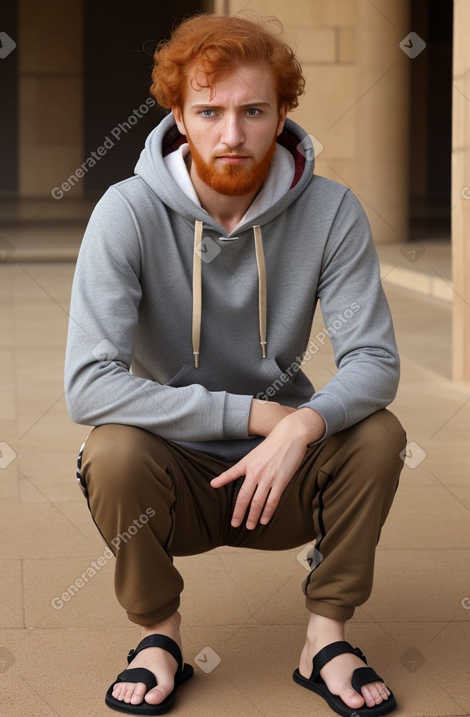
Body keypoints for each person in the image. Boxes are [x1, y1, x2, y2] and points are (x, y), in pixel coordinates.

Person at [65, 12, 406, 717]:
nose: (232, 133)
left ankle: (325, 638)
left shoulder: (332, 211)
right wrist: (253, 413)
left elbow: (373, 359)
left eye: (253, 110)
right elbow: (88, 382)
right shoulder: (125, 213)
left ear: (283, 112)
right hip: (176, 474)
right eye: (209, 111)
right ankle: (158, 636)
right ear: (179, 117)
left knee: (378, 434)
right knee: (111, 450)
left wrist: (303, 425)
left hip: (284, 478)